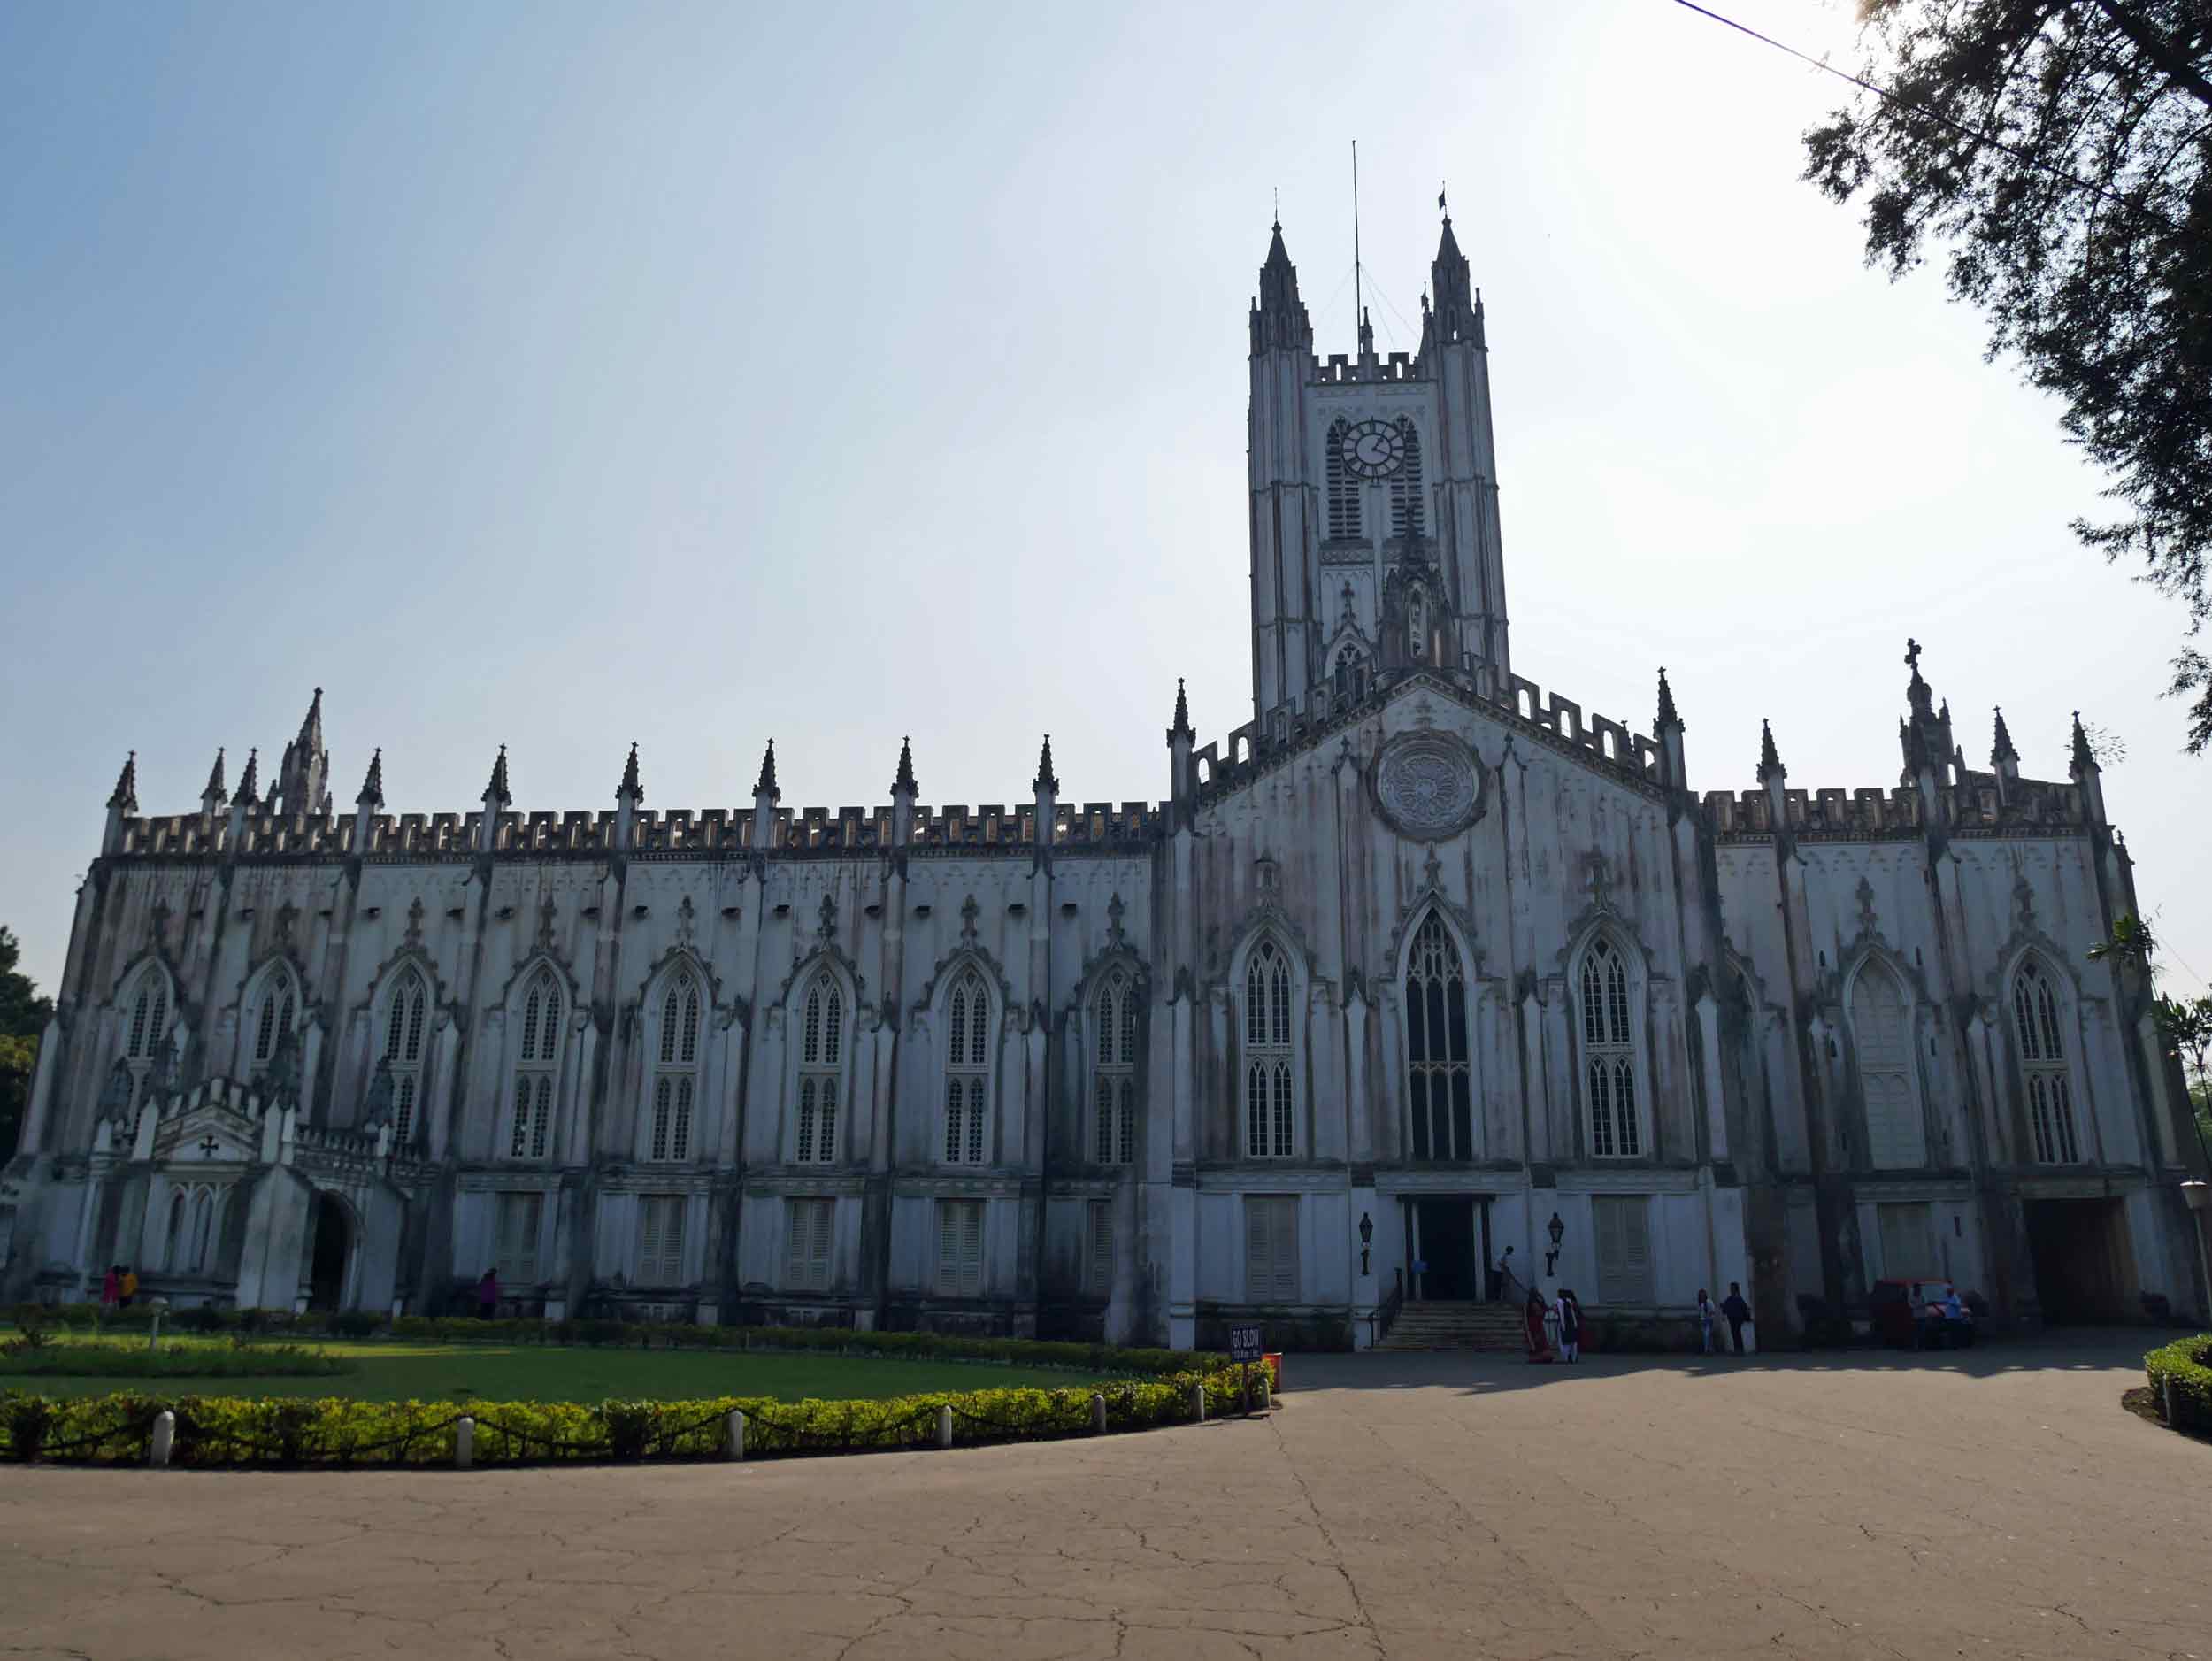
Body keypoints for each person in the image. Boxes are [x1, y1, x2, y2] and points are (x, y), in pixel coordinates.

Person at [1722, 1282, 1752, 1356]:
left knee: (1736, 1333)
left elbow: (1744, 1308)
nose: (1731, 1290)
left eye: (1732, 1288)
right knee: (1735, 1334)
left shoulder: (1738, 1298)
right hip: (1732, 1318)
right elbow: (1725, 1307)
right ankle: (1738, 1350)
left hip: (1738, 1319)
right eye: (1731, 1288)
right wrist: (1723, 1307)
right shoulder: (1731, 1298)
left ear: (1735, 1289)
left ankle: (1739, 1350)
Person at [1524, 1287, 1553, 1362]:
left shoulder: (1538, 1300)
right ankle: (1536, 1355)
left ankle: (1543, 1355)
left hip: (1538, 1322)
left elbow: (1544, 1308)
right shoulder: (1531, 1301)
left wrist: (1542, 1298)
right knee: (1536, 1339)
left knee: (1541, 1339)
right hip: (1533, 1323)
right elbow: (1537, 1310)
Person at [1555, 1288, 1582, 1364]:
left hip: (1568, 1325)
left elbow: (1564, 1315)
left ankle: (1568, 1357)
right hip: (1573, 1325)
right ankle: (1572, 1357)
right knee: (1572, 1341)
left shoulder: (1566, 1303)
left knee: (1567, 1342)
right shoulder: (1571, 1303)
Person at [1695, 1288, 1716, 1355]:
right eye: (1701, 1295)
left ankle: (1708, 1350)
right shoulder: (1700, 1304)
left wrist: (1709, 1315)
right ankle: (1707, 1350)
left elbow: (1713, 1311)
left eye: (1703, 1295)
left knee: (1707, 1335)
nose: (1702, 1296)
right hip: (1703, 1321)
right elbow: (1699, 1313)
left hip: (1709, 1321)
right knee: (1705, 1336)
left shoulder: (1709, 1301)